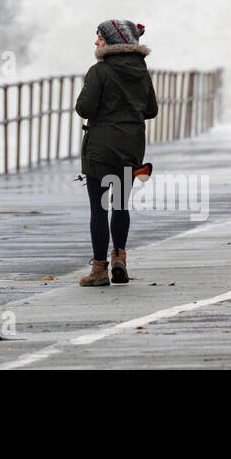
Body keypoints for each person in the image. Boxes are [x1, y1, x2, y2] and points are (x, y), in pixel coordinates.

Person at [74, 19, 158, 286]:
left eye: (99, 37)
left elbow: (84, 108)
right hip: (131, 146)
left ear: (112, 42)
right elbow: (151, 110)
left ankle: (99, 270)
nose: (96, 42)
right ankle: (119, 258)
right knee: (120, 204)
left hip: (101, 146)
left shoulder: (99, 72)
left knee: (99, 209)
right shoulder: (141, 71)